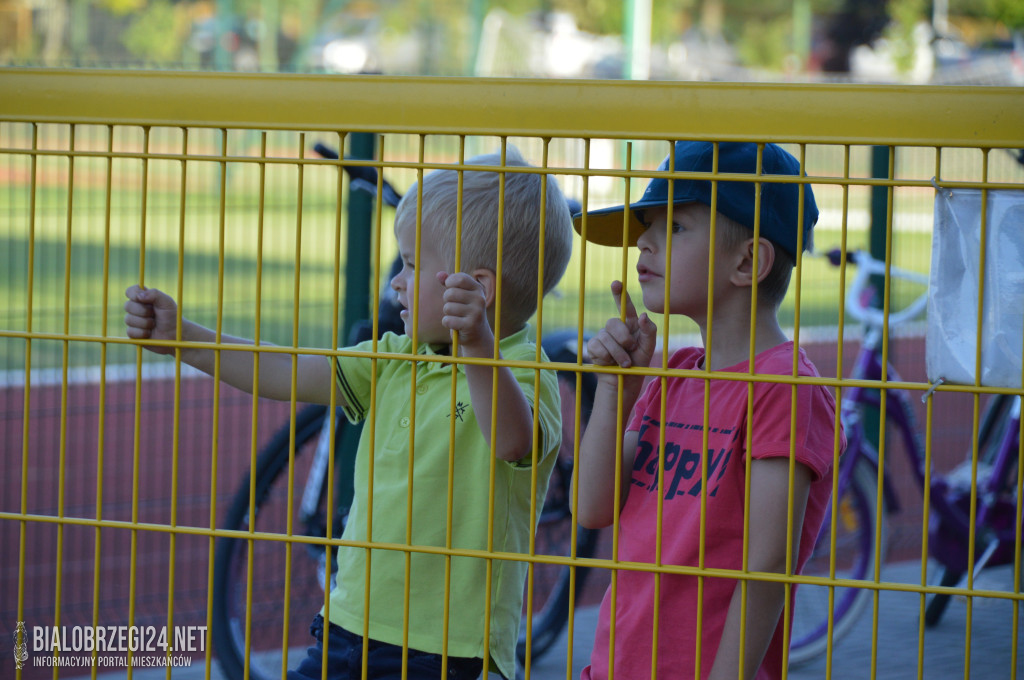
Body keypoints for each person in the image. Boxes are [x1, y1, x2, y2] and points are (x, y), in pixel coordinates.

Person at [124, 146, 574, 680]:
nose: (395, 284)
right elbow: (287, 373)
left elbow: (510, 440)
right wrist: (186, 338)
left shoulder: (527, 374)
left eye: (410, 265)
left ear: (478, 288)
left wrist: (478, 345)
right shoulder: (396, 360)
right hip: (348, 627)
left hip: (448, 653)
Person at [572, 141, 844, 680]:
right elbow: (592, 507)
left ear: (748, 261)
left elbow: (766, 567)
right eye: (649, 225)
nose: (643, 242)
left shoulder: (784, 388)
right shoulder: (676, 374)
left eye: (673, 227)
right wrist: (613, 389)